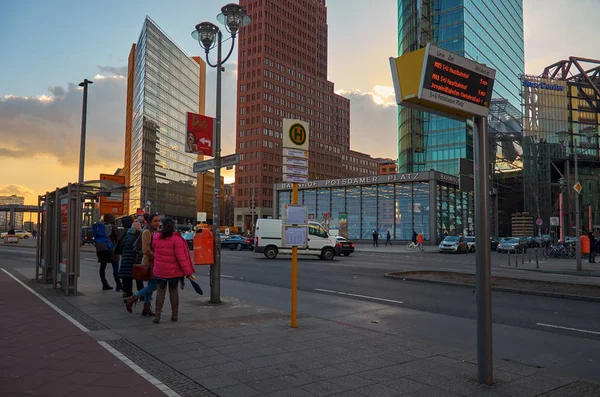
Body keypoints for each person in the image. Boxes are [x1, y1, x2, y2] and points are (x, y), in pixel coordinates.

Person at [151, 218, 195, 324]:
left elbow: (154, 248)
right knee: (174, 292)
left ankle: (157, 316)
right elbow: (181, 258)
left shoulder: (157, 237)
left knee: (160, 292)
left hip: (160, 270)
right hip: (174, 272)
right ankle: (174, 315)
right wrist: (188, 272)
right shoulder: (177, 239)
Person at [126, 214, 161, 316]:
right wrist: (155, 257)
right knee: (154, 285)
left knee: (151, 285)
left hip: (154, 262)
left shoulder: (155, 231)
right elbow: (145, 249)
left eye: (159, 221)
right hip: (149, 262)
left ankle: (146, 307)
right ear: (149, 222)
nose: (158, 223)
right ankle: (133, 298)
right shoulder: (146, 232)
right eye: (155, 221)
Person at [97, 213, 123, 291]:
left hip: (101, 250)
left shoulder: (100, 226)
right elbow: (119, 237)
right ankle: (118, 284)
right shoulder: (113, 227)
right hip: (112, 250)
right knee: (115, 268)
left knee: (102, 267)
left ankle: (104, 284)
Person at [119, 218, 142, 301]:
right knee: (139, 277)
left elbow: (122, 245)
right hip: (135, 258)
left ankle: (126, 292)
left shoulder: (127, 234)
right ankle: (141, 294)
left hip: (125, 258)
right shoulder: (139, 235)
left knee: (127, 276)